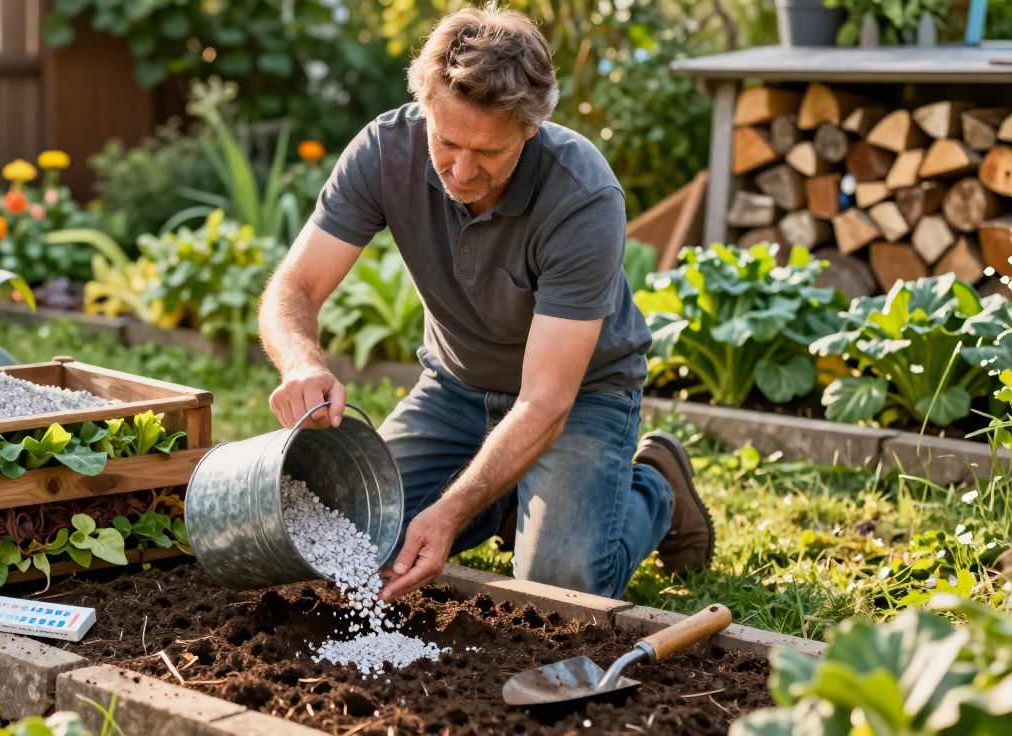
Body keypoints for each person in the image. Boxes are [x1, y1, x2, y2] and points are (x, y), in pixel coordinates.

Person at [258, 3, 713, 603]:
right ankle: (508, 498)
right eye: (446, 142)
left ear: (530, 129)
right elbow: (295, 288)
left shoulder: (582, 195)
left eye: (490, 154)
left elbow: (547, 398)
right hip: (455, 389)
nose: (463, 170)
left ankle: (654, 487)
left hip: (578, 399)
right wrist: (302, 363)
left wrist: (449, 510)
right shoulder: (384, 151)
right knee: (346, 533)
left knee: (561, 583)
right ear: (425, 110)